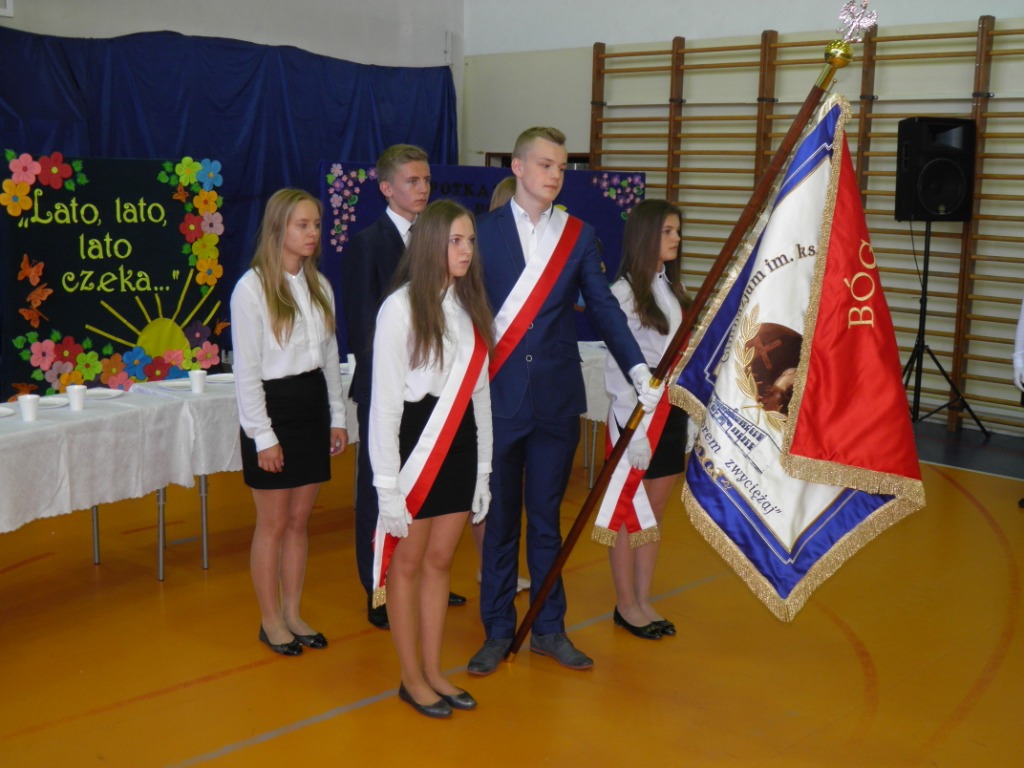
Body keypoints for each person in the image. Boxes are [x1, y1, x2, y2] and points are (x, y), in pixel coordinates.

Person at [469, 126, 663, 676]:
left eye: (561, 167)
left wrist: (639, 368)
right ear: (518, 167)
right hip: (499, 398)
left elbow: (603, 308)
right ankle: (497, 630)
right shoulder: (480, 233)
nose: (556, 175)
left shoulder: (578, 235)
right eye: (545, 164)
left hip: (556, 401)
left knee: (548, 521)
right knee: (500, 524)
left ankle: (549, 628)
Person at [369, 200, 494, 718]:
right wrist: (386, 486)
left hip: (459, 442)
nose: (466, 251)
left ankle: (435, 670)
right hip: (414, 444)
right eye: (455, 241)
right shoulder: (398, 309)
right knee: (409, 563)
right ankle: (411, 677)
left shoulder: (469, 307)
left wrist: (483, 470)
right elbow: (384, 406)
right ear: (430, 245)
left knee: (442, 561)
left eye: (470, 241)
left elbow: (480, 396)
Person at [343, 144, 466, 630]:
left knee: (430, 487)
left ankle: (423, 578)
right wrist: (397, 386)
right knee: (381, 489)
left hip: (437, 394)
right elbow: (363, 328)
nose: (423, 189)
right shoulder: (367, 245)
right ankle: (378, 589)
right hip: (388, 391)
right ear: (386, 188)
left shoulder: (438, 241)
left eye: (427, 180)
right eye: (412, 181)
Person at [231, 188, 349, 656]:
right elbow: (247, 372)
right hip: (273, 409)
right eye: (303, 225)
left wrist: (337, 417)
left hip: (311, 405)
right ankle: (270, 619)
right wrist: (263, 436)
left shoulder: (320, 286)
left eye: (316, 224)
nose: (313, 233)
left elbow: (330, 358)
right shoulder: (252, 288)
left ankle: (294, 612)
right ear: (278, 229)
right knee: (274, 523)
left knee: (299, 521)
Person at [600, 199, 690, 640]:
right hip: (636, 414)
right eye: (668, 231)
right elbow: (618, 365)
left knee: (653, 512)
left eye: (677, 231)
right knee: (626, 512)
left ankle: (643, 597)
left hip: (671, 411)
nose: (676, 238)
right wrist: (629, 427)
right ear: (646, 236)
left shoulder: (671, 289)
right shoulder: (621, 293)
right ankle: (625, 604)